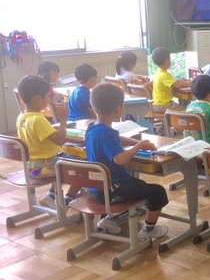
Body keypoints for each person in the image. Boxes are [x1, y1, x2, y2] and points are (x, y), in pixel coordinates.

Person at [85, 83, 170, 238]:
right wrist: (138, 146)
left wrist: (136, 142)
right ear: (118, 110)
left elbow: (115, 138)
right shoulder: (107, 133)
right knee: (158, 192)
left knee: (139, 185)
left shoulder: (92, 128)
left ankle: (109, 220)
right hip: (113, 191)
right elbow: (120, 159)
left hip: (96, 189)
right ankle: (149, 230)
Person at [15, 75, 79, 209]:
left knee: (62, 158)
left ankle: (51, 196)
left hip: (31, 166)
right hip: (44, 167)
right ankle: (69, 198)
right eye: (47, 97)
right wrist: (63, 118)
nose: (49, 101)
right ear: (38, 98)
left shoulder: (22, 116)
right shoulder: (38, 119)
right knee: (81, 163)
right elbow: (60, 140)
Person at [151, 47, 192, 114]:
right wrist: (192, 83)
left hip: (156, 104)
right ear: (167, 61)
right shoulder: (164, 75)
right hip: (163, 105)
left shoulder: (158, 72)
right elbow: (177, 85)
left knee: (182, 107)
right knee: (187, 111)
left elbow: (173, 83)